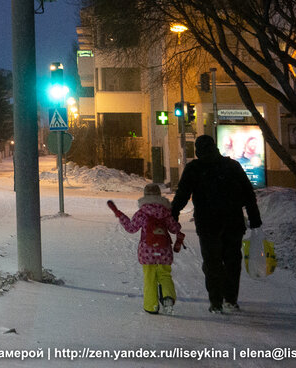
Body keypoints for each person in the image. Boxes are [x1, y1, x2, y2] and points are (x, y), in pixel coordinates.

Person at [171, 133, 263, 313]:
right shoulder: (232, 166)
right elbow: (248, 194)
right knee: (232, 261)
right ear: (215, 147)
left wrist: (173, 214)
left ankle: (216, 301)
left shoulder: (194, 168)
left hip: (207, 223)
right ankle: (230, 299)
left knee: (212, 261)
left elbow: (183, 194)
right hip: (233, 222)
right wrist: (254, 218)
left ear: (197, 151)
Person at [108, 183, 185, 314]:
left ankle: (151, 306)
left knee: (150, 279)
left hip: (147, 251)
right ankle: (168, 298)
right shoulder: (166, 213)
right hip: (164, 251)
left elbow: (131, 228)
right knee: (165, 275)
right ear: (159, 195)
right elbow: (175, 229)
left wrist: (119, 214)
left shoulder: (142, 213)